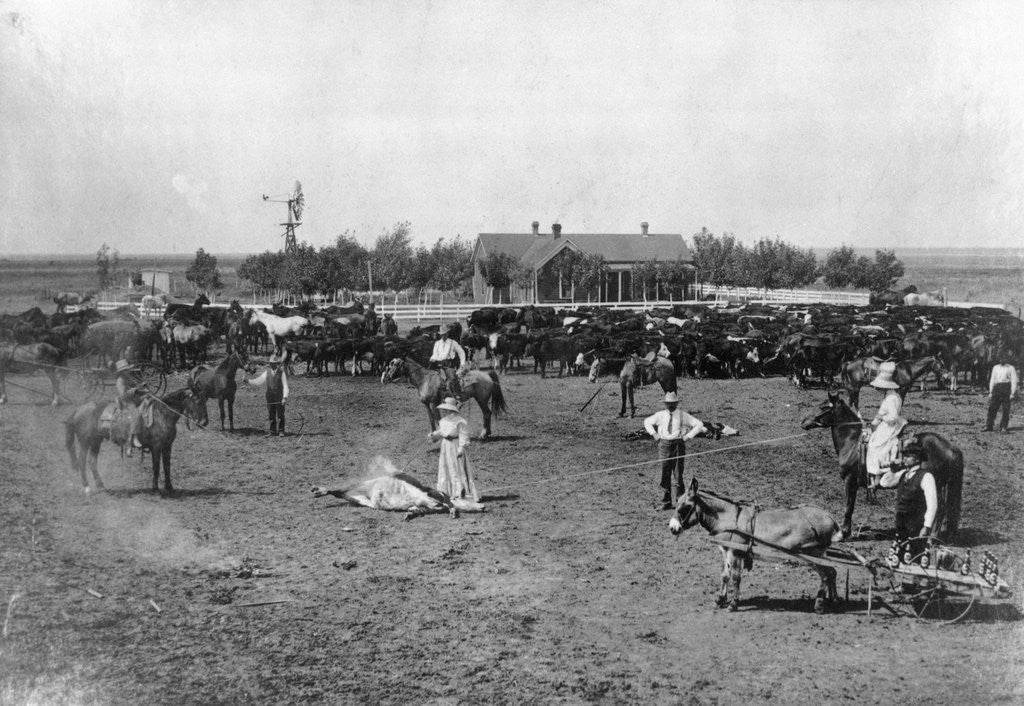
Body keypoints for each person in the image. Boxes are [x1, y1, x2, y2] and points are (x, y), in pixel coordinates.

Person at [643, 392, 705, 510]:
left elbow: (699, 424)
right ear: (665, 404)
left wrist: (687, 436)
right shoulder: (660, 415)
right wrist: (654, 434)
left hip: (678, 445)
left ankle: (680, 502)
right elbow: (647, 422)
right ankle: (666, 502)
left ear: (677, 403)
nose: (670, 405)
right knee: (665, 472)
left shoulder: (682, 415)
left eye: (673, 403)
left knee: (678, 474)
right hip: (664, 445)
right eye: (668, 403)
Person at [879, 441, 937, 557]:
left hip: (916, 524)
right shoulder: (902, 474)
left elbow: (932, 505)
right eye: (904, 455)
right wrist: (892, 470)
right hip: (901, 523)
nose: (904, 458)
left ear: (917, 459)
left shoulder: (926, 477)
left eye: (909, 456)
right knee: (899, 554)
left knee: (915, 555)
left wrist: (927, 527)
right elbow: (884, 482)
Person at [865, 361, 907, 494]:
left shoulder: (892, 398)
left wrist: (881, 418)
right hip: (887, 423)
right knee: (872, 436)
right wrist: (874, 422)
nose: (878, 389)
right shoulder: (890, 395)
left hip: (890, 425)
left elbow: (892, 417)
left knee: (874, 445)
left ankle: (878, 473)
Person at [428, 397, 479, 504]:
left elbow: (464, 435)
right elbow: (441, 433)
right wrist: (434, 435)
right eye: (444, 409)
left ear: (452, 410)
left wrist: (461, 448)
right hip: (445, 446)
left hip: (455, 446)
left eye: (447, 409)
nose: (445, 411)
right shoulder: (443, 421)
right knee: (445, 468)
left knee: (456, 468)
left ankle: (460, 493)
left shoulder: (460, 421)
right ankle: (446, 493)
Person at [247, 353, 289, 436]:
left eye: (274, 363)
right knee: (271, 414)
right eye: (271, 363)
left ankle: (281, 431)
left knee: (280, 414)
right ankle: (272, 431)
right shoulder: (267, 373)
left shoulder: (282, 373)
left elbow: (285, 386)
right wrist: (248, 381)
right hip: (270, 397)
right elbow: (259, 381)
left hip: (279, 397)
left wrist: (284, 398)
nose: (272, 365)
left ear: (277, 364)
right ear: (269, 364)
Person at [113, 359, 147, 455]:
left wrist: (142, 387)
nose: (128, 371)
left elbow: (137, 386)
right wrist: (136, 390)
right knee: (136, 414)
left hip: (134, 399)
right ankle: (134, 438)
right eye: (126, 370)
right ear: (122, 372)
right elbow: (123, 395)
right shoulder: (120, 381)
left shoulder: (129, 378)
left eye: (128, 370)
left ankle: (145, 436)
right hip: (126, 402)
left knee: (148, 406)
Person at [429, 324, 467, 398]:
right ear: (440, 335)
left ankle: (458, 395)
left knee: (453, 378)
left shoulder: (453, 343)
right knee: (429, 377)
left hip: (448, 365)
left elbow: (461, 352)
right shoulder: (437, 343)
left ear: (447, 334)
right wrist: (432, 358)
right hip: (437, 365)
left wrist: (462, 363)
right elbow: (435, 354)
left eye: (445, 334)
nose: (443, 336)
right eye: (442, 334)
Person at [985, 354, 1018, 433]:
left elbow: (1014, 381)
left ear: (1006, 359)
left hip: (1006, 388)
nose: (1001, 360)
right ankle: (989, 426)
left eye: (1003, 358)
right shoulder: (995, 367)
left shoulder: (1011, 368)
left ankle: (1003, 427)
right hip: (997, 388)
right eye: (1000, 358)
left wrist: (1012, 393)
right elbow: (992, 379)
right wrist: (991, 391)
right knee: (992, 408)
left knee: (1006, 409)